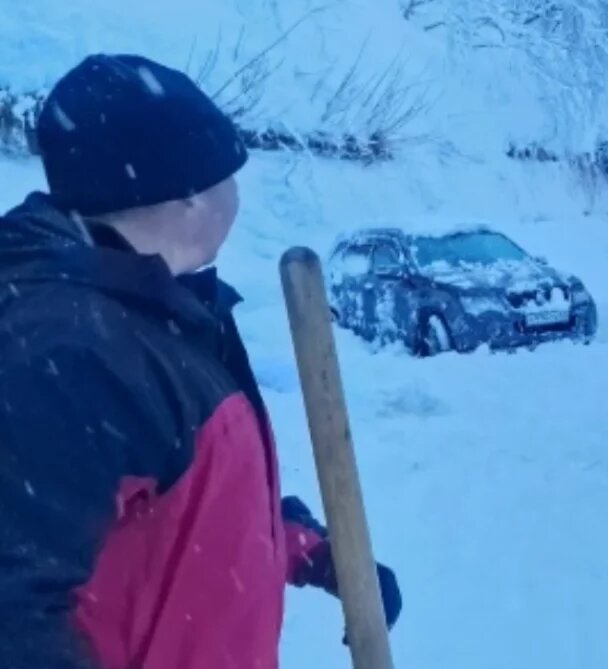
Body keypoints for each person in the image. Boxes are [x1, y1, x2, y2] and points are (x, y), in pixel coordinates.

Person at [0, 54, 401, 669]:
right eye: (230, 176)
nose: (237, 196)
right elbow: (15, 607)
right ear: (187, 194)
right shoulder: (68, 348)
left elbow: (187, 511)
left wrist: (318, 551)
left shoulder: (156, 314)